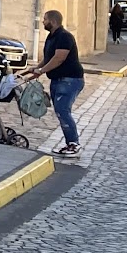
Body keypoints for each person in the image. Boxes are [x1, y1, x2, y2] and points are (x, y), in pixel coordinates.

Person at [30, 9, 84, 158]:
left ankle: (74, 144)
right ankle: (70, 143)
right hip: (57, 80)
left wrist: (41, 71)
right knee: (60, 111)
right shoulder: (51, 37)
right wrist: (36, 68)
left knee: (62, 110)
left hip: (70, 80)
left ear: (53, 21)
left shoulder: (64, 37)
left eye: (45, 19)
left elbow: (59, 58)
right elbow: (49, 58)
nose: (43, 21)